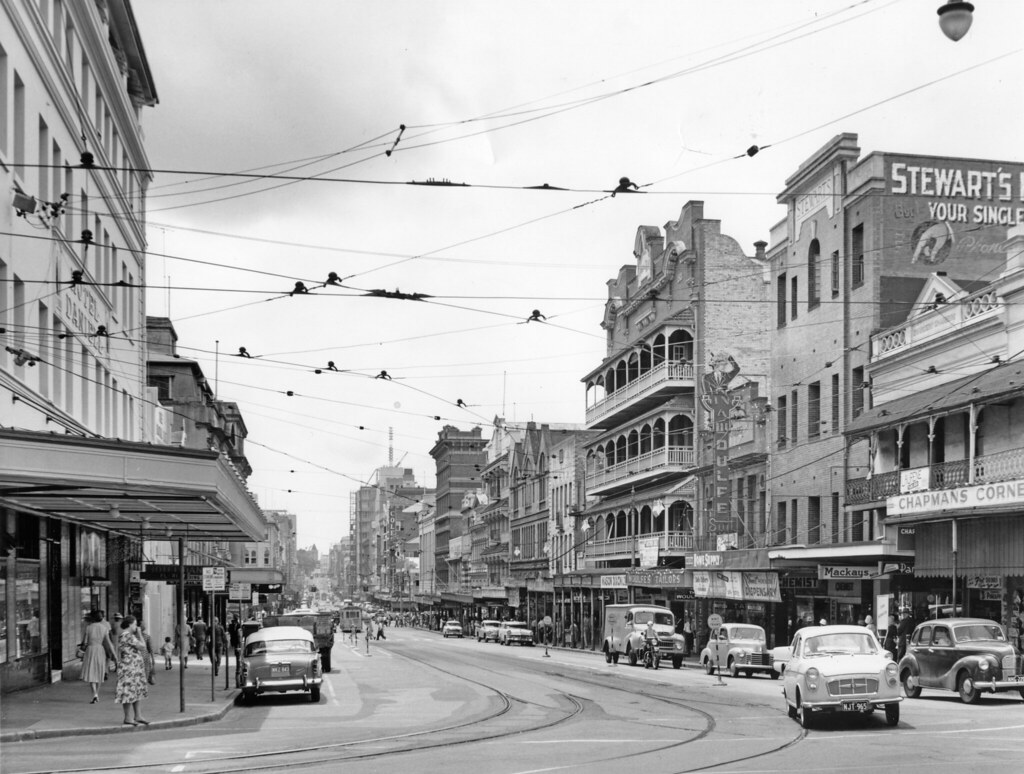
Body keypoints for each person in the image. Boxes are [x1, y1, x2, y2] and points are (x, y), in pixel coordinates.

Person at [114, 615, 149, 725]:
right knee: (129, 691)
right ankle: (128, 717)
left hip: (133, 666)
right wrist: (139, 634)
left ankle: (138, 715)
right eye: (134, 624)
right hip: (129, 667)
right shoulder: (128, 635)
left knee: (136, 691)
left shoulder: (127, 635)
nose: (136, 626)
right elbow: (143, 646)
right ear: (129, 624)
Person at [80, 610, 116, 703]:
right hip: (100, 649)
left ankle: (95, 694)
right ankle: (97, 694)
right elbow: (109, 643)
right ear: (101, 618)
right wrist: (115, 655)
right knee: (99, 671)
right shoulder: (104, 628)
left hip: (90, 650)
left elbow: (84, 642)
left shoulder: (88, 628)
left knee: (91, 671)